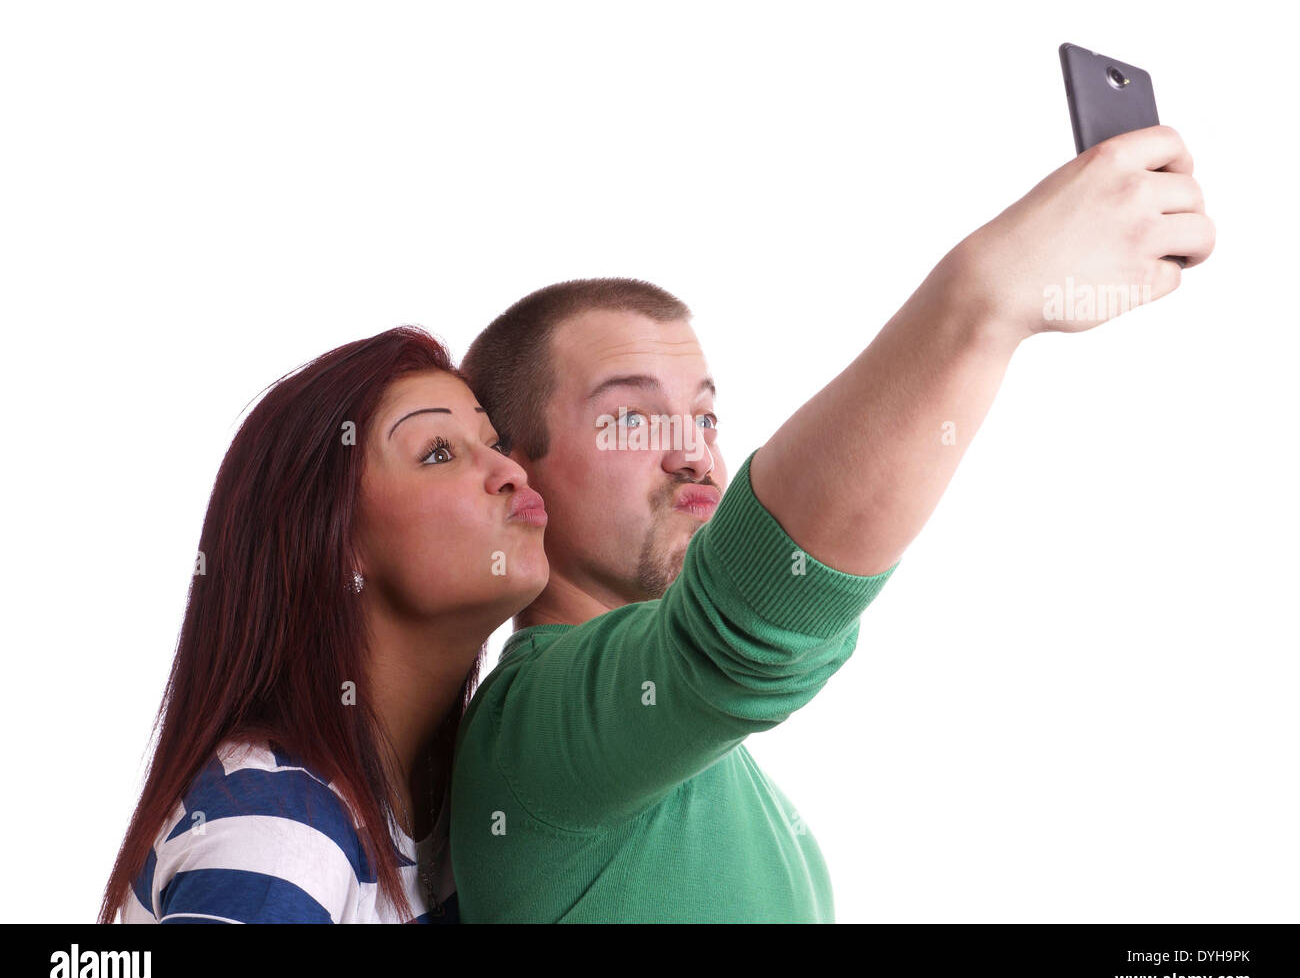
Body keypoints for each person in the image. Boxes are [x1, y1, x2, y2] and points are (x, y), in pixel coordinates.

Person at [449, 123, 1216, 922]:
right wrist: (986, 299)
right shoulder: (532, 737)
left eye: (706, 418)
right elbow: (742, 625)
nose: (694, 455)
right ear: (516, 474)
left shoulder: (682, 756)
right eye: (632, 419)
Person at [99, 326, 548, 923]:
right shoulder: (277, 834)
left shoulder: (463, 793)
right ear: (334, 544)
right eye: (437, 452)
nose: (509, 471)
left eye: (494, 442)